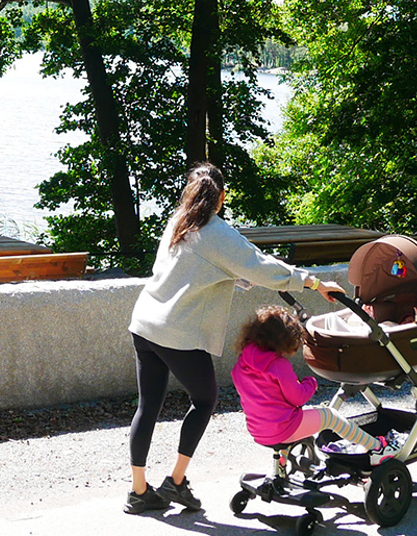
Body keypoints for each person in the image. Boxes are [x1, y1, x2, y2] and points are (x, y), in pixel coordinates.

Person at [123, 162, 346, 514]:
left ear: (190, 193)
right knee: (205, 400)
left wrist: (238, 277)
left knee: (147, 405)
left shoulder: (178, 221)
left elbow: (201, 269)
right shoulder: (216, 231)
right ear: (221, 197)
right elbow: (260, 266)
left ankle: (138, 493)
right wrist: (314, 282)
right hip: (177, 333)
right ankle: (177, 483)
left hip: (144, 324)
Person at [231, 305, 401, 465]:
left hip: (258, 430)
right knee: (331, 417)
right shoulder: (277, 365)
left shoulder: (241, 364)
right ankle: (378, 447)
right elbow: (298, 398)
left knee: (294, 418)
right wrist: (310, 383)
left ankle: (280, 469)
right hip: (283, 428)